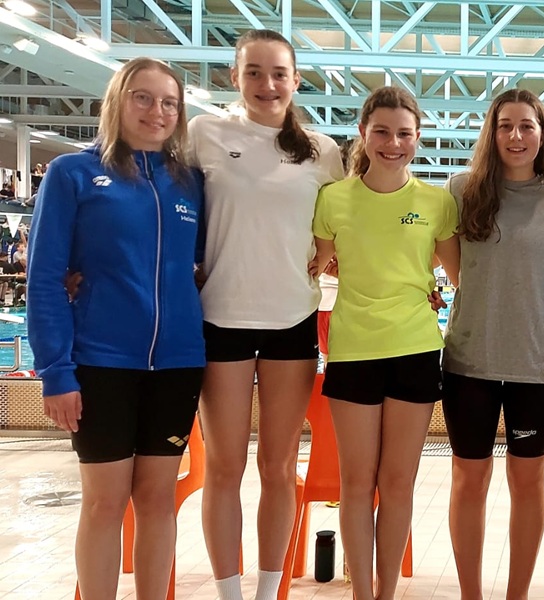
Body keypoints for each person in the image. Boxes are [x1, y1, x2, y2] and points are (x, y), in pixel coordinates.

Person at [27, 57, 205, 600]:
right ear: (117, 101)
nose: (157, 111)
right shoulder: (73, 174)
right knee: (105, 502)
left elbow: (204, 262)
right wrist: (55, 371)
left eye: (169, 102)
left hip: (177, 364)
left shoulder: (190, 183)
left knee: (157, 500)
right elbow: (45, 278)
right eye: (143, 97)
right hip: (101, 362)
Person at [186, 29, 345, 600]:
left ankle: (268, 591)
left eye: (278, 73)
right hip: (221, 317)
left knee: (277, 468)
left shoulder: (322, 150)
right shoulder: (203, 133)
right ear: (235, 77)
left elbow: (346, 222)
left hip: (291, 321)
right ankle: (230, 593)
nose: (266, 83)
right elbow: (167, 203)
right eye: (253, 71)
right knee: (224, 468)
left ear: (296, 81)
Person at [311, 85, 460, 600]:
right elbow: (313, 266)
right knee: (356, 483)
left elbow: (460, 276)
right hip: (353, 351)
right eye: (381, 132)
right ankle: (361, 594)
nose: (392, 144)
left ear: (417, 138)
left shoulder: (436, 202)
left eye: (403, 134)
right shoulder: (333, 199)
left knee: (397, 484)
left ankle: (387, 592)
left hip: (415, 349)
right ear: (363, 134)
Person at [442, 88, 544, 600]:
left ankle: (517, 594)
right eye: (505, 126)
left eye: (527, 125)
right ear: (492, 132)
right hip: (469, 361)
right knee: (468, 480)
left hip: (535, 365)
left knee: (527, 483)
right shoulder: (461, 190)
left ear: (543, 134)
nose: (516, 136)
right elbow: (453, 270)